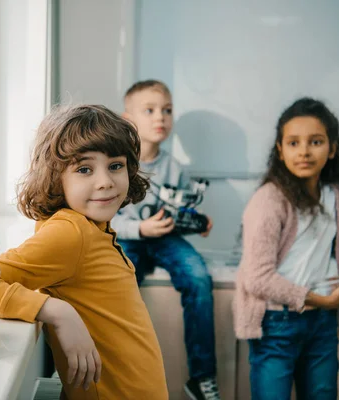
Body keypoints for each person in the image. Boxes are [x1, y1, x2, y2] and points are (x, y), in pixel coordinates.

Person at [0, 104, 169, 399]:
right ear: (55, 177)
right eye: (84, 169)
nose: (105, 181)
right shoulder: (71, 233)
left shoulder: (92, 227)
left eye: (116, 165)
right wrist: (58, 312)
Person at [234, 97, 339, 400]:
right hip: (277, 323)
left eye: (315, 141)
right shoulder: (269, 200)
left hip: (321, 325)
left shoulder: (336, 195)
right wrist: (324, 301)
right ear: (280, 150)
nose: (304, 151)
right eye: (293, 143)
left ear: (331, 149)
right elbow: (257, 278)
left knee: (322, 394)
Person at [111, 80, 219, 400]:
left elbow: (181, 208)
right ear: (128, 119)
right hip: (130, 239)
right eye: (150, 110)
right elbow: (106, 218)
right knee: (118, 285)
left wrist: (196, 222)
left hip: (167, 240)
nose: (161, 117)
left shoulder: (174, 167)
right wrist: (139, 230)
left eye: (167, 111)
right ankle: (117, 370)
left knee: (199, 277)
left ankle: (202, 377)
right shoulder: (118, 163)